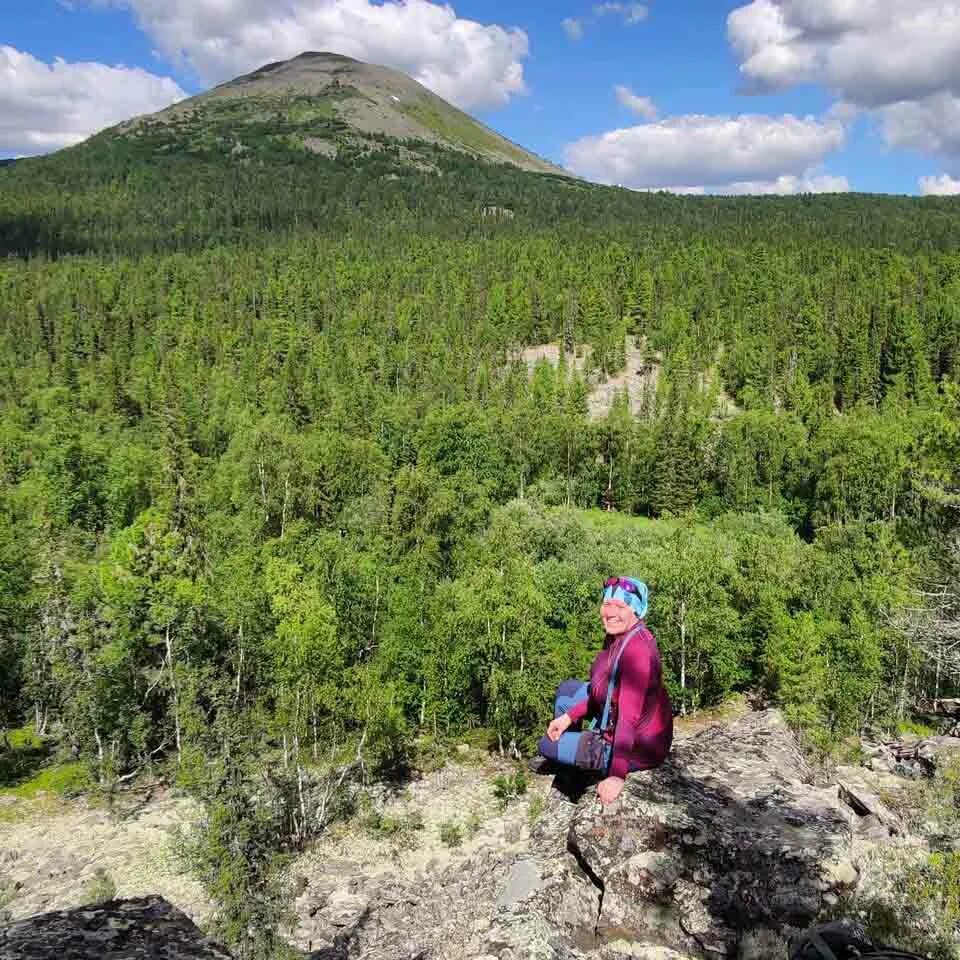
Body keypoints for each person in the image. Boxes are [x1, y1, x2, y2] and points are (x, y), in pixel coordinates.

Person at [537, 576, 673, 806]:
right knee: (567, 691)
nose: (611, 612)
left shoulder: (637, 652)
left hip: (640, 747)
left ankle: (580, 770)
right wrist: (568, 717)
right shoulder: (616, 637)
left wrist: (617, 776)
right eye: (607, 604)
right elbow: (603, 687)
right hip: (614, 712)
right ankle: (572, 766)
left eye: (620, 606)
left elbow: (628, 719)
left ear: (636, 612)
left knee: (546, 745)